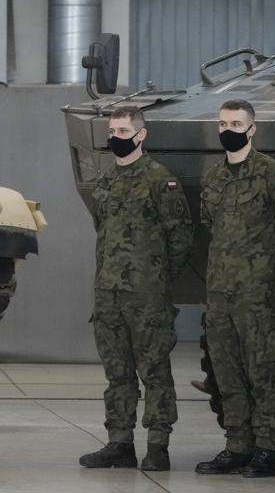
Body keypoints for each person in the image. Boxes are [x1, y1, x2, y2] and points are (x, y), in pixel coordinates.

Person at [78, 105, 193, 472]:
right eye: (112, 132)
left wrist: (156, 279)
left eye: (123, 132)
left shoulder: (160, 179)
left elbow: (181, 237)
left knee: (155, 371)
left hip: (146, 296)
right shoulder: (106, 181)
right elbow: (102, 230)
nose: (116, 138)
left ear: (141, 135)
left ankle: (158, 445)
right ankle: (119, 443)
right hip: (108, 294)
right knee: (117, 373)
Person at [194, 100, 275, 478]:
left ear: (252, 129)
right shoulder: (213, 177)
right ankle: (237, 445)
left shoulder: (272, 174)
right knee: (227, 372)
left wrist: (267, 273)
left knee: (262, 371)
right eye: (223, 124)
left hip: (257, 293)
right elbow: (211, 224)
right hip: (220, 292)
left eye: (236, 124)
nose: (229, 130)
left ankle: (266, 449)